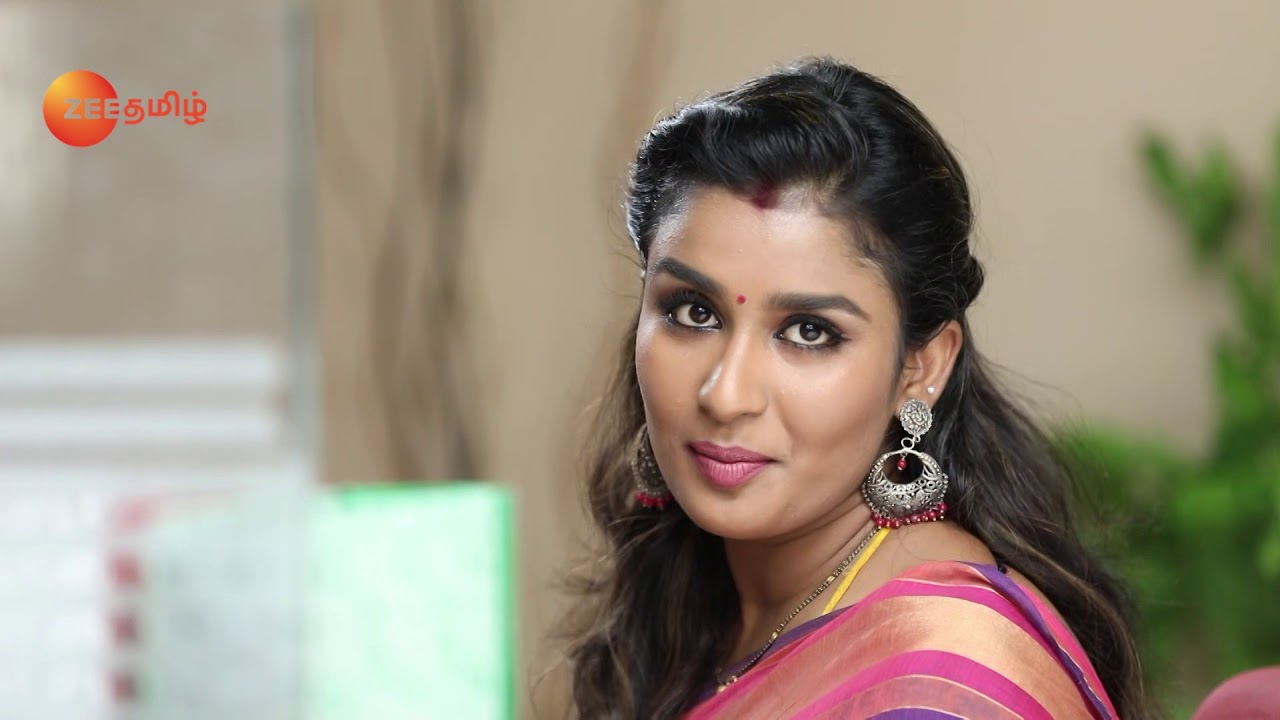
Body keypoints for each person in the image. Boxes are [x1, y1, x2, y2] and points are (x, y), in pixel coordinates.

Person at [562, 57, 1151, 719]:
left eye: (808, 331)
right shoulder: (704, 601)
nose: (725, 396)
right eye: (694, 312)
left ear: (921, 367)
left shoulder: (936, 684)